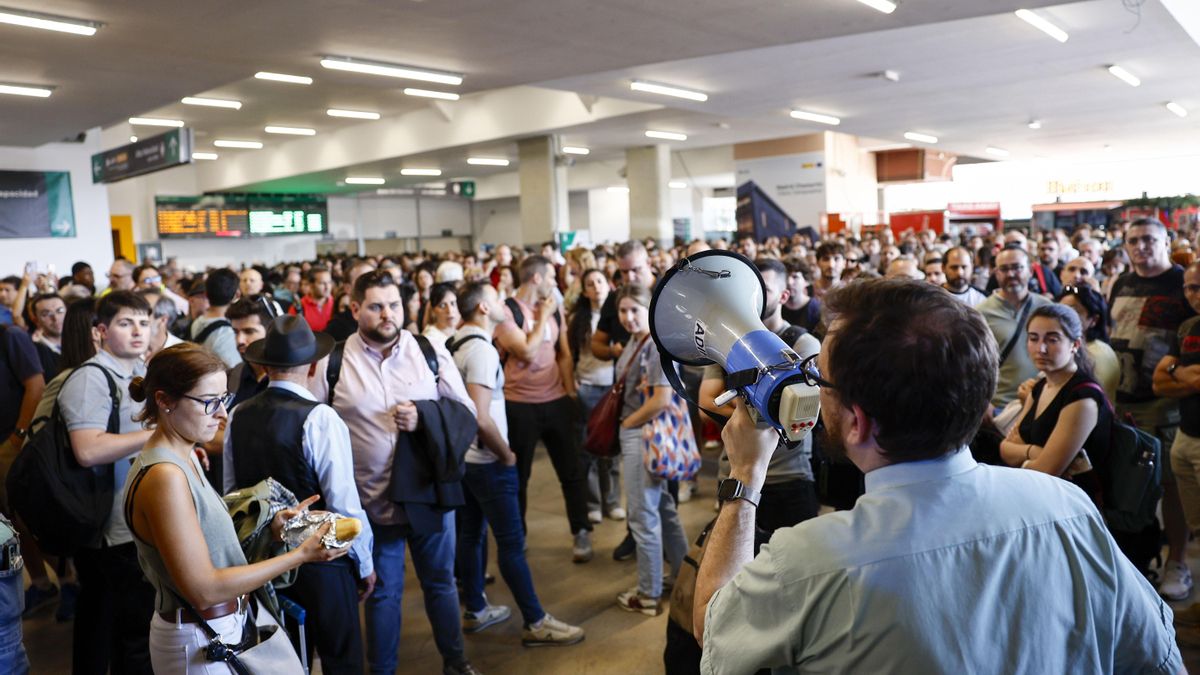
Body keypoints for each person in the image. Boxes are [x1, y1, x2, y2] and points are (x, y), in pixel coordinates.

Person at [693, 279, 1181, 673]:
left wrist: (746, 475)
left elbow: (713, 629)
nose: (814, 391)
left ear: (858, 422)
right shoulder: (1065, 506)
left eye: (820, 379)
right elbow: (1156, 657)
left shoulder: (805, 561)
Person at [123, 342, 344, 675]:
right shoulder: (165, 476)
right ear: (164, 400)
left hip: (215, 628)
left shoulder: (183, 455)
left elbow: (208, 547)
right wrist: (300, 555)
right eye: (209, 402)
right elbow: (204, 589)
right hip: (200, 638)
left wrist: (273, 529)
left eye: (223, 399)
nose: (223, 414)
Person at [310, 270, 482, 675]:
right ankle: (382, 670)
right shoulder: (333, 362)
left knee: (440, 583)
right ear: (355, 309)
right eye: (376, 306)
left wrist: (424, 416)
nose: (388, 314)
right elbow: (313, 424)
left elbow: (467, 412)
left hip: (427, 493)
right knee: (382, 592)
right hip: (370, 502)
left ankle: (456, 662)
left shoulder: (428, 351)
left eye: (394, 305)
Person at [223, 316, 375, 674]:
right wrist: (365, 563)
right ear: (312, 365)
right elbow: (344, 504)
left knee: (282, 660)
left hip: (263, 562)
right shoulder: (321, 418)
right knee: (341, 658)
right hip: (322, 560)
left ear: (264, 366)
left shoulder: (238, 414)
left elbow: (231, 495)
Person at [449, 281, 585, 646]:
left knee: (471, 534)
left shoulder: (456, 341)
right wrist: (506, 455)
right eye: (495, 299)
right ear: (483, 308)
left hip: (467, 459)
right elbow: (481, 417)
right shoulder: (481, 351)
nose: (502, 304)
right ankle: (535, 621)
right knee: (510, 543)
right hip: (488, 460)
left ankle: (475, 609)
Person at [57, 291, 155, 674]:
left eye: (143, 323)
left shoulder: (138, 372)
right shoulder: (91, 378)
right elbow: (87, 449)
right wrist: (157, 436)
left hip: (131, 522)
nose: (137, 331)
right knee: (122, 633)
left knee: (122, 629)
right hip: (107, 528)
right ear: (101, 331)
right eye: (125, 323)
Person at [700, 258, 822, 534]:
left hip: (788, 478)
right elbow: (706, 403)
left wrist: (743, 412)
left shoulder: (803, 344)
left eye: (764, 289)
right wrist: (767, 411)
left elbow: (806, 407)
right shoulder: (723, 342)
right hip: (734, 474)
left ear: (784, 296)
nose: (754, 296)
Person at [1110, 218, 1197, 599]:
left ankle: (1177, 560)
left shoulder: (1182, 283)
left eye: (1149, 239)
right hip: (1124, 399)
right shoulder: (1121, 283)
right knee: (1132, 483)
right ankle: (1138, 556)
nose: (1140, 246)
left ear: (1166, 241)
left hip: (1166, 401)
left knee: (1172, 487)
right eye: (1133, 240)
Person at [494, 256, 593, 562]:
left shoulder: (553, 309)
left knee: (571, 470)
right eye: (551, 277)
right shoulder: (506, 312)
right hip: (519, 404)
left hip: (555, 400)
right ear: (536, 278)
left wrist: (569, 391)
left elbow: (563, 353)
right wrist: (542, 317)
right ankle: (518, 533)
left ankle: (581, 530)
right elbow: (525, 350)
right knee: (519, 475)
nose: (555, 283)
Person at [611, 284, 689, 616]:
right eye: (623, 310)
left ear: (649, 309)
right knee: (663, 509)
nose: (628, 317)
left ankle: (647, 594)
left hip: (643, 434)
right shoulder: (637, 341)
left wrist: (627, 424)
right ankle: (684, 577)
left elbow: (661, 400)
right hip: (645, 433)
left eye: (635, 310)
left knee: (642, 516)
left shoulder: (655, 346)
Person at [1000, 305, 1109, 505]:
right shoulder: (1040, 386)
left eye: (1052, 340)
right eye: (1034, 338)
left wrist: (1024, 455)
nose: (1041, 349)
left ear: (1075, 344)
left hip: (1072, 503)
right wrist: (1034, 452)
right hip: (1035, 496)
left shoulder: (1083, 398)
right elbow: (1004, 448)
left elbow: (1047, 471)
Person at [1155, 261, 1200, 637]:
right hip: (1185, 434)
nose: (1192, 294)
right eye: (1188, 287)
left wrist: (1177, 374)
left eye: (1198, 286)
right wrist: (1182, 376)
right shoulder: (1187, 327)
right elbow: (1159, 381)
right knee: (1198, 525)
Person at [568, 269, 623, 523]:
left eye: (600, 281)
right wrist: (572, 384)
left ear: (608, 284)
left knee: (611, 448)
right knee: (588, 447)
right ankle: (592, 503)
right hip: (588, 386)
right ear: (585, 291)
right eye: (590, 284)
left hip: (612, 385)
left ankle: (612, 500)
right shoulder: (578, 319)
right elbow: (570, 354)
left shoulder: (619, 313)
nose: (597, 287)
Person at [978, 246, 1051, 409]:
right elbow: (973, 365)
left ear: (1030, 271)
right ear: (996, 274)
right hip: (999, 406)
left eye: (1017, 267)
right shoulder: (981, 313)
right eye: (1004, 269)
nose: (1011, 274)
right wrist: (983, 402)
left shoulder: (1047, 308)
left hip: (1042, 401)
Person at [1058, 285, 1119, 402]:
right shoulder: (1076, 349)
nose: (1061, 318)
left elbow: (1082, 400)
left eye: (1072, 311)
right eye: (1060, 310)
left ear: (1094, 320)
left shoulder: (1095, 355)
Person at [190, 269, 241, 369]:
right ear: (237, 295)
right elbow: (234, 368)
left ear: (206, 294)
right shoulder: (226, 332)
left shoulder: (197, 322)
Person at [780, 262, 822, 338]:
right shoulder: (777, 304)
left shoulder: (816, 309)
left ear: (806, 281)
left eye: (795, 277)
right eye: (786, 276)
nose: (789, 282)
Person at [29, 293, 65, 380]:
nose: (55, 318)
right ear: (36, 320)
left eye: (60, 311)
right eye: (46, 314)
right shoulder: (33, 351)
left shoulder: (79, 342)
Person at [293, 265, 335, 333]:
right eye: (322, 283)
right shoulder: (298, 307)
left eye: (329, 282)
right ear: (311, 285)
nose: (327, 287)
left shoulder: (337, 303)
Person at [423, 282, 461, 347]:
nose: (449, 310)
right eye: (442, 306)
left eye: (453, 303)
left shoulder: (459, 334)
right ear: (433, 311)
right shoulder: (430, 339)